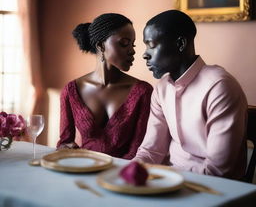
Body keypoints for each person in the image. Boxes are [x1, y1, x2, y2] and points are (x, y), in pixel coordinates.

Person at [134, 10, 247, 179]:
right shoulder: (161, 88)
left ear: (180, 44)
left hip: (213, 191)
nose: (145, 54)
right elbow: (151, 151)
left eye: (151, 45)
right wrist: (127, 172)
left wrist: (167, 178)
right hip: (167, 182)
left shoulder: (220, 87)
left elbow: (218, 172)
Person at [57, 13, 153, 159]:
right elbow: (64, 144)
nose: (132, 51)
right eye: (124, 43)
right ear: (101, 46)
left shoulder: (143, 92)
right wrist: (66, 149)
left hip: (121, 176)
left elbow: (137, 151)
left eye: (133, 44)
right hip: (83, 170)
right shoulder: (71, 91)